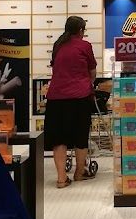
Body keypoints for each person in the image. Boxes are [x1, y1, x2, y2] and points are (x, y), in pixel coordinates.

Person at [41, 16, 96, 187]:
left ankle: (61, 178)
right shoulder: (85, 46)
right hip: (79, 97)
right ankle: (79, 172)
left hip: (56, 98)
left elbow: (55, 68)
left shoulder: (58, 45)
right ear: (80, 30)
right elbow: (92, 72)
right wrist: (89, 84)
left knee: (59, 138)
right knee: (80, 135)